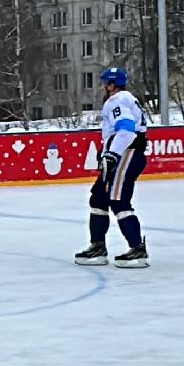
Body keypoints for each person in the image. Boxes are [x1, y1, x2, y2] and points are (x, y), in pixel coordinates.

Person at [75, 67, 150, 269]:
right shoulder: (126, 99)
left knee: (118, 201)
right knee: (99, 197)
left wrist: (112, 154)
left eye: (105, 83)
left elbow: (126, 130)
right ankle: (97, 246)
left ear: (111, 85)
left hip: (126, 154)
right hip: (123, 154)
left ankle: (137, 249)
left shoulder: (116, 101)